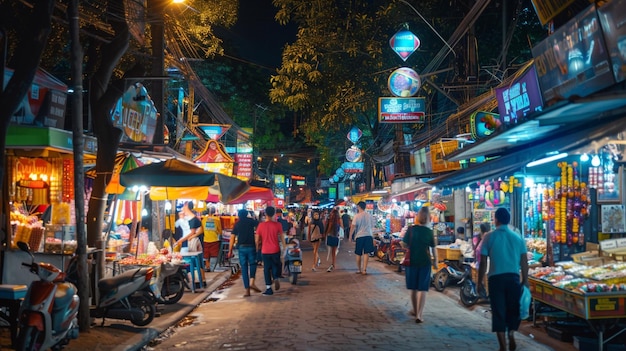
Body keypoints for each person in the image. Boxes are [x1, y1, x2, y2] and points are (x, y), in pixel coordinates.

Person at [477, 208, 528, 351]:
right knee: (513, 309)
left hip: (495, 279)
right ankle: (511, 333)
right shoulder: (518, 237)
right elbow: (524, 261)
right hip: (513, 278)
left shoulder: (488, 237)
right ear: (509, 220)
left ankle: (503, 347)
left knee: (498, 311)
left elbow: (483, 262)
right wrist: (525, 279)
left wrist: (479, 281)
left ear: (496, 219)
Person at [401, 207, 437, 323]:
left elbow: (404, 244)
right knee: (423, 289)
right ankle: (419, 315)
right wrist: (436, 261)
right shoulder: (429, 232)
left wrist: (408, 247)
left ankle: (415, 310)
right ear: (428, 218)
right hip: (425, 262)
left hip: (411, 261)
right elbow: (434, 248)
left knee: (413, 288)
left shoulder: (411, 230)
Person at [228, 209, 261, 297]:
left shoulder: (237, 224)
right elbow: (259, 224)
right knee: (253, 264)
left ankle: (247, 290)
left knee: (244, 268)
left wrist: (230, 250)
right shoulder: (251, 221)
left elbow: (232, 238)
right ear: (247, 214)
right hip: (251, 246)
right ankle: (252, 282)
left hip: (241, 248)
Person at [255, 206, 285, 296]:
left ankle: (269, 288)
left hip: (265, 250)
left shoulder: (261, 225)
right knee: (276, 264)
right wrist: (284, 246)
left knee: (267, 269)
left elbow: (257, 240)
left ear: (265, 214)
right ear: (274, 214)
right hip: (276, 249)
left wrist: (257, 249)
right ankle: (276, 277)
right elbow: (282, 236)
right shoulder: (278, 225)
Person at [350, 201, 375, 275]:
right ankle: (364, 270)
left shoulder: (356, 216)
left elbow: (353, 226)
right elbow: (372, 226)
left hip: (359, 236)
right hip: (368, 235)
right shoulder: (370, 215)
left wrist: (350, 236)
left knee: (358, 253)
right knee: (366, 253)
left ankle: (359, 269)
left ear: (359, 207)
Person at [202, 207, 222, 271]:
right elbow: (220, 231)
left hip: (206, 240)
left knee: (206, 254)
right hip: (215, 240)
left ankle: (207, 267)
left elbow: (202, 230)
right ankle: (212, 268)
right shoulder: (217, 220)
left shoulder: (203, 220)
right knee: (214, 255)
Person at [324, 208, 341, 272]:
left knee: (331, 251)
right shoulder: (339, 220)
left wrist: (325, 234)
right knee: (334, 251)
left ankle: (333, 263)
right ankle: (333, 263)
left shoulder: (331, 220)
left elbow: (329, 228)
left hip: (331, 236)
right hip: (336, 236)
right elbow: (341, 227)